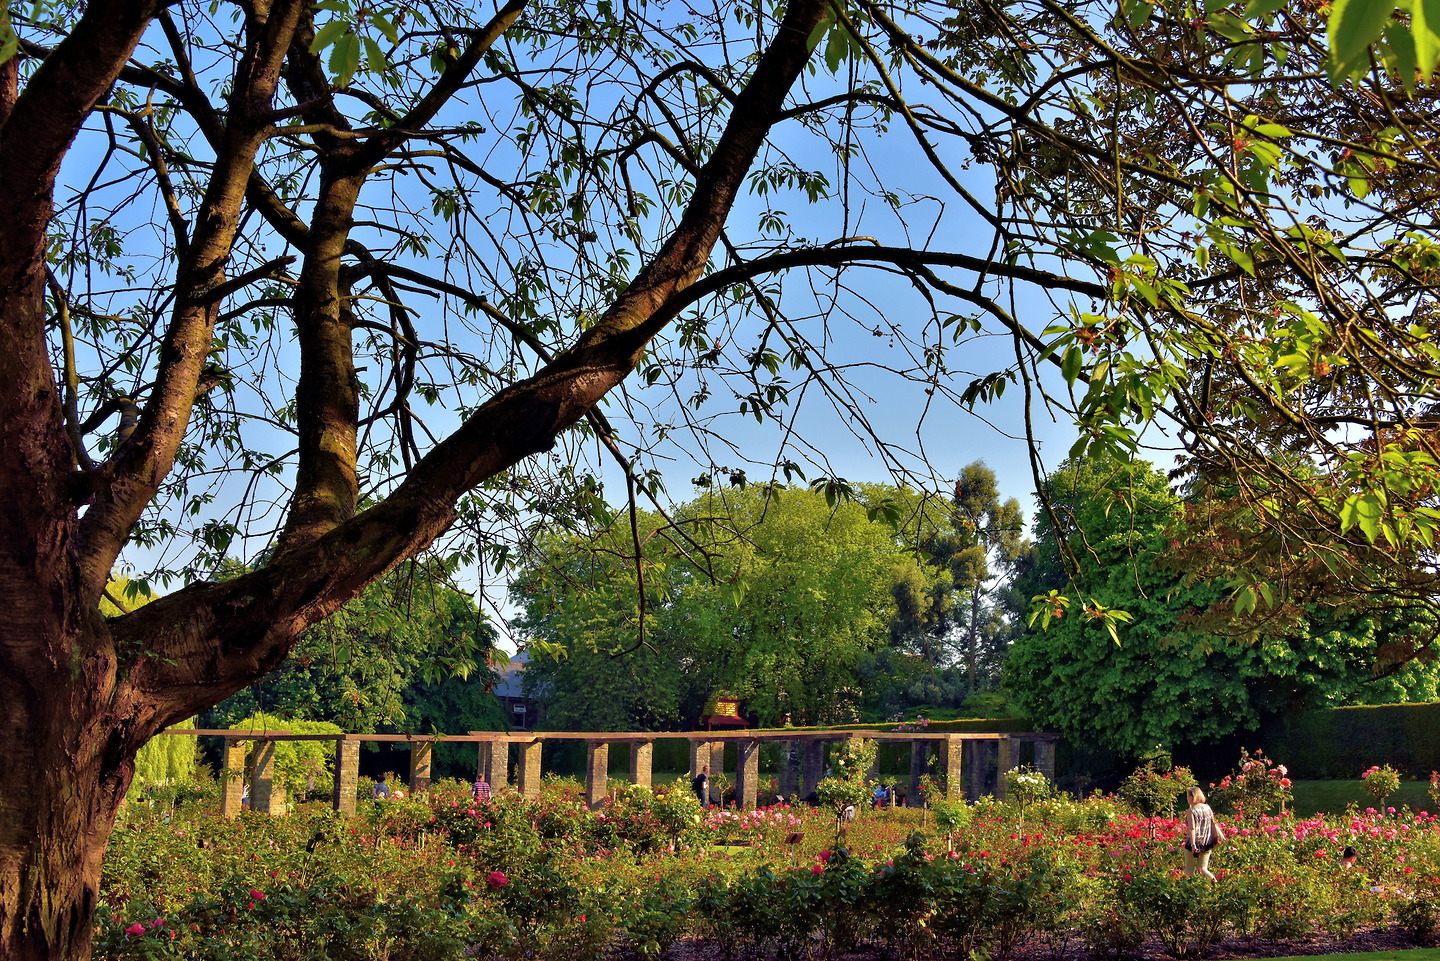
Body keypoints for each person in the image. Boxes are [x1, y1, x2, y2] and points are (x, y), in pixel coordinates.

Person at [1182, 785, 1222, 880]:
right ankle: (1214, 883)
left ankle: (1187, 890)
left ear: (1192, 797)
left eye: (1188, 796)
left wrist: (1193, 845)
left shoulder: (1191, 811)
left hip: (1195, 842)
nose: (1187, 798)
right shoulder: (1207, 808)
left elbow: (1192, 829)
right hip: (1207, 842)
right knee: (1203, 869)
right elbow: (1212, 823)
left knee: (1189, 869)